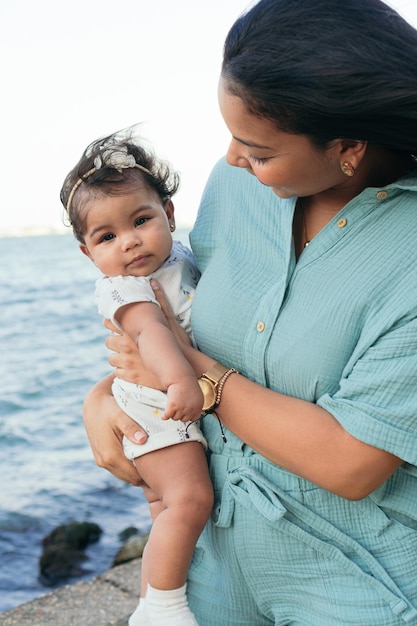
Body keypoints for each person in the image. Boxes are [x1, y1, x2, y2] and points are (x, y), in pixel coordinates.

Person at [82, 0, 417, 624]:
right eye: (231, 136)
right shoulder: (237, 187)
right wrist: (107, 394)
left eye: (258, 149)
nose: (234, 158)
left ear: (348, 146)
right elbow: (182, 312)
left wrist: (195, 375)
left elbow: (351, 463)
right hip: (214, 563)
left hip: (361, 581)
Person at [60, 129, 214, 626]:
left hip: (153, 401)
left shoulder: (178, 259)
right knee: (190, 499)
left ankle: (152, 603)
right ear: (89, 254)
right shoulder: (125, 288)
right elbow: (150, 335)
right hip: (157, 404)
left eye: (141, 221)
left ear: (169, 215)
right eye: (106, 237)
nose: (128, 242)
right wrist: (182, 382)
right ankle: (163, 608)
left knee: (163, 508)